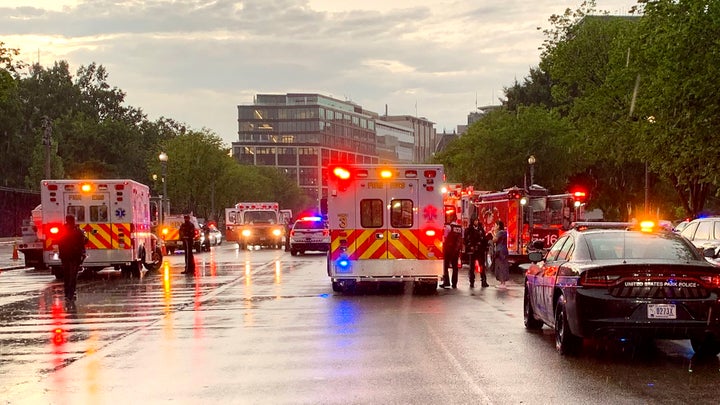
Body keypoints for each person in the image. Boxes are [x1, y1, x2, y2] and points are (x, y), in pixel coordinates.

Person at [58, 214, 87, 302]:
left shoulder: (62, 230)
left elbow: (58, 242)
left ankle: (67, 293)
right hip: (75, 256)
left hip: (65, 256)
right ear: (73, 220)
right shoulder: (77, 230)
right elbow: (83, 242)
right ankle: (72, 292)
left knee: (67, 275)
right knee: (73, 276)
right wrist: (83, 253)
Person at [464, 217, 490, 288]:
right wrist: (469, 246)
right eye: (475, 220)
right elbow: (466, 240)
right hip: (472, 251)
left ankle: (483, 281)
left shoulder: (481, 229)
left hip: (480, 250)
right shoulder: (469, 230)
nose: (476, 222)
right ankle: (472, 281)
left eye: (477, 220)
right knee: (472, 267)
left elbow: (484, 238)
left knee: (482, 266)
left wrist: (485, 245)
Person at [441, 214, 463, 289]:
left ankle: (446, 282)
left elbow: (445, 238)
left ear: (451, 218)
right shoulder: (460, 228)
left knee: (445, 266)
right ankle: (454, 283)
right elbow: (461, 238)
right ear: (456, 219)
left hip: (448, 250)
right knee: (455, 267)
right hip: (456, 250)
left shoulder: (448, 227)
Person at [492, 220, 510, 289]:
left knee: (502, 266)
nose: (494, 227)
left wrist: (492, 233)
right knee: (500, 266)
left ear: (498, 226)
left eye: (495, 225)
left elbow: (494, 240)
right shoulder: (502, 232)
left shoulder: (501, 232)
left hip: (501, 252)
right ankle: (502, 282)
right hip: (502, 251)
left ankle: (503, 283)